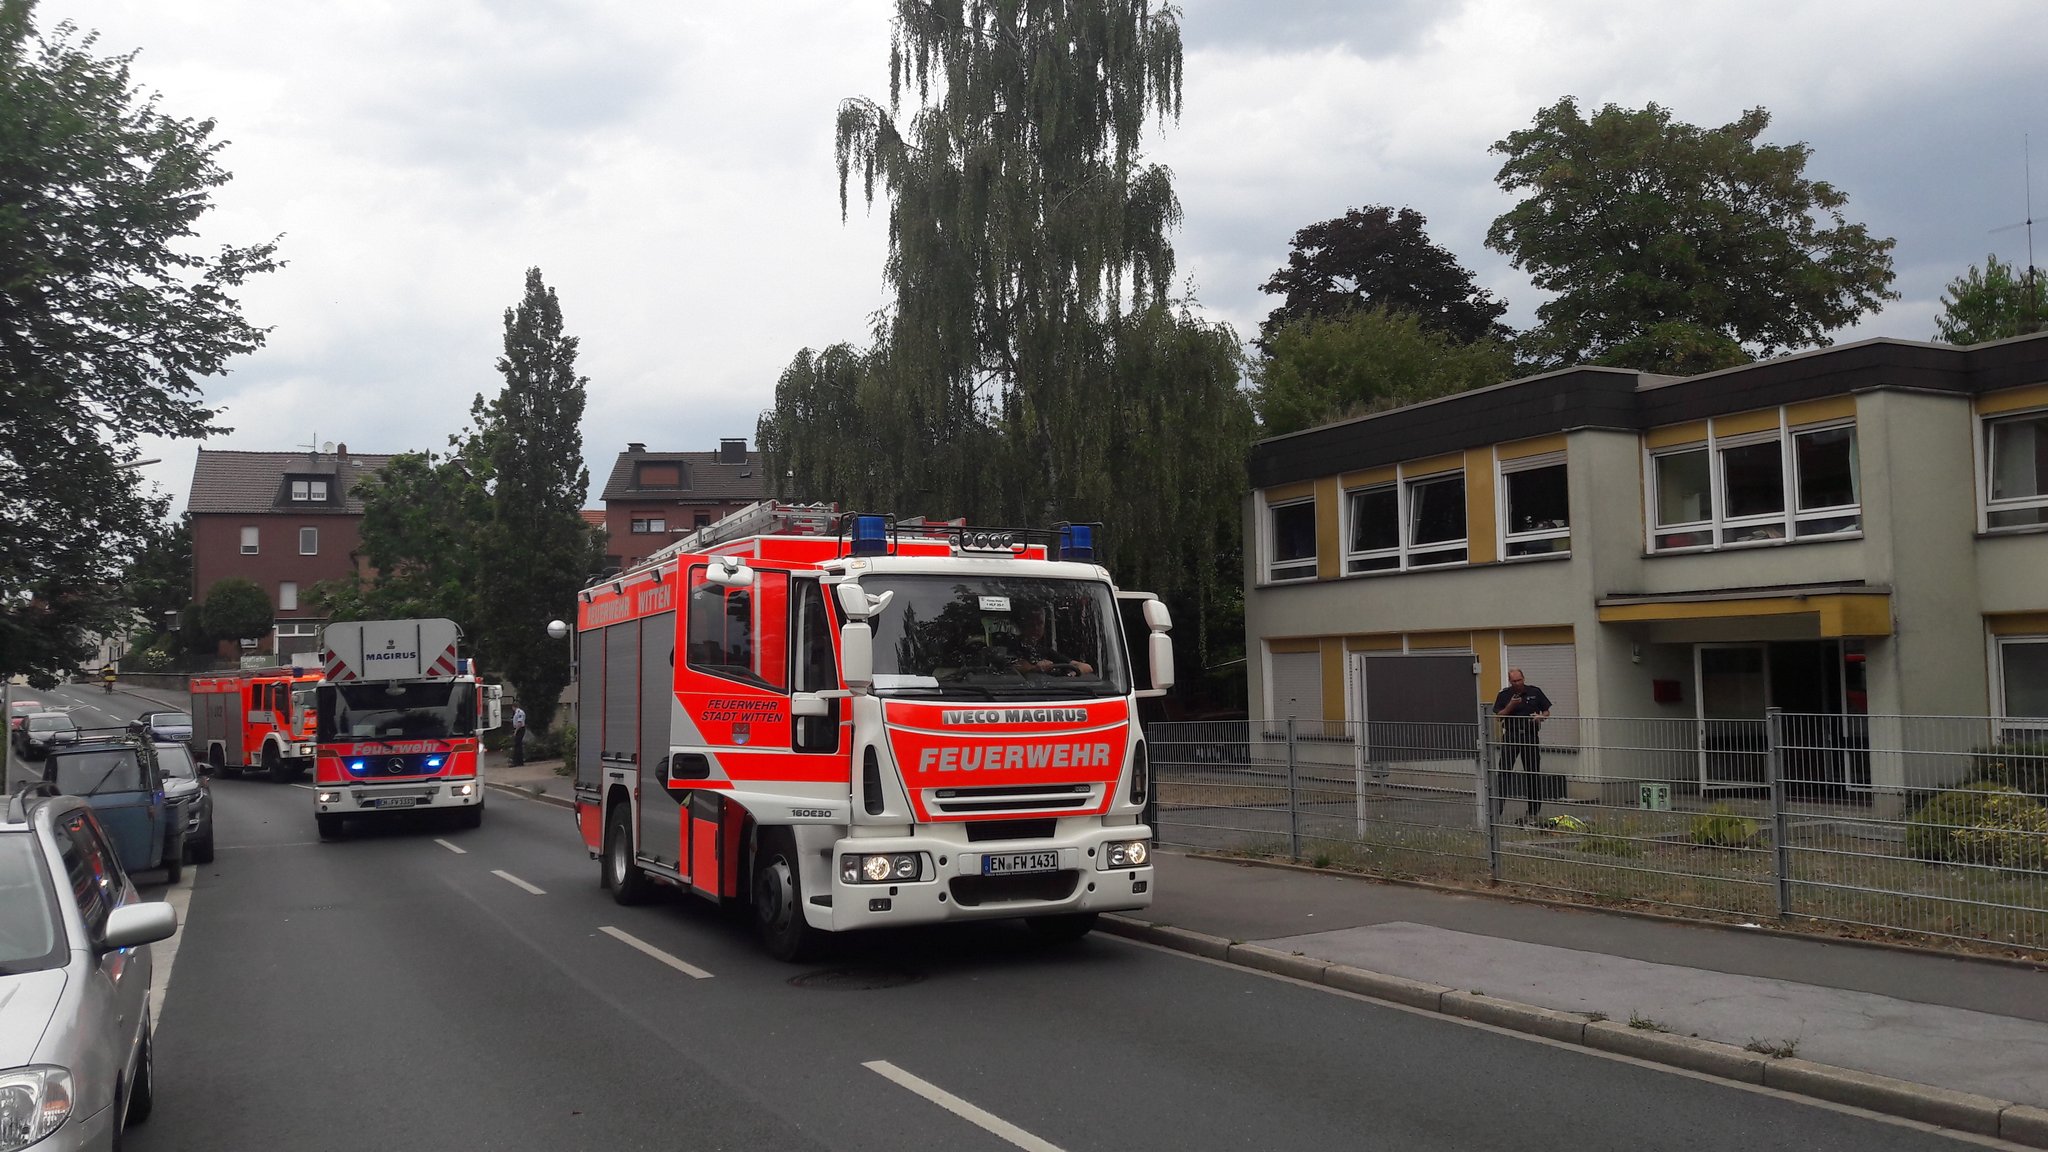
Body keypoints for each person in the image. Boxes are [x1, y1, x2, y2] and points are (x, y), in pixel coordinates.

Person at [1492, 667, 1552, 822]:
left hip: (1530, 735)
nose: (1517, 683)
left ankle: (1533, 811)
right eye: (1514, 681)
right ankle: (1496, 812)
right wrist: (1511, 705)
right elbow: (1499, 717)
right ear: (1510, 681)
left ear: (1523, 678)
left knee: (1532, 772)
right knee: (1504, 773)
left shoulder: (1535, 692)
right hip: (1511, 735)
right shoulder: (1504, 694)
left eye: (1519, 680)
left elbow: (1546, 711)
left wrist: (1541, 716)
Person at [1013, 607, 1092, 676]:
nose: (1036, 628)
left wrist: (1072, 674)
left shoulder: (1046, 651)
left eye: (1040, 623)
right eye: (1031, 624)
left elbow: (1087, 667)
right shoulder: (1010, 644)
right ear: (1022, 624)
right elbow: (1007, 667)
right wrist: (1035, 668)